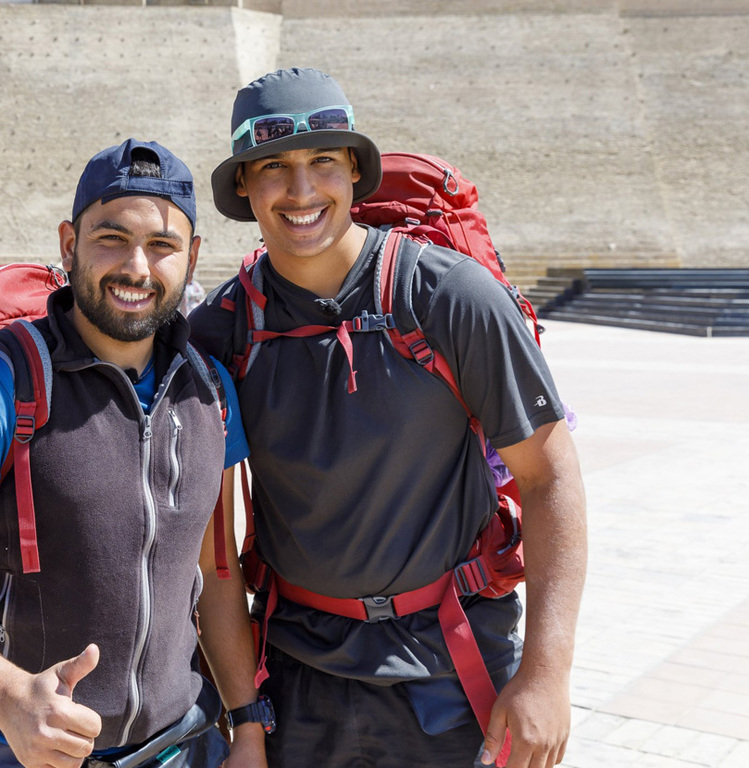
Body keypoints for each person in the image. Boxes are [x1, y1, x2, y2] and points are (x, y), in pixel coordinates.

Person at [188, 68, 588, 768]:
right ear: (244, 186)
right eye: (274, 168)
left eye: (322, 163)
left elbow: (550, 478)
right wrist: (243, 717)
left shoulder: (449, 299)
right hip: (295, 675)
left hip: (452, 668)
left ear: (354, 173)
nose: (302, 190)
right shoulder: (221, 331)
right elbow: (213, 554)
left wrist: (548, 676)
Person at [0, 139, 268, 768]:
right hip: (5, 746)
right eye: (110, 238)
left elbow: (216, 573)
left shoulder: (210, 391)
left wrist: (246, 724)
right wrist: (11, 700)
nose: (136, 267)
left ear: (192, 258)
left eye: (162, 246)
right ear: (68, 243)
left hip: (179, 747)